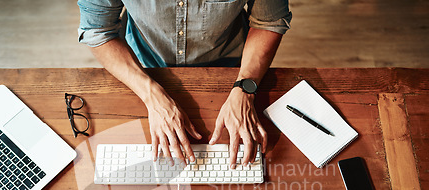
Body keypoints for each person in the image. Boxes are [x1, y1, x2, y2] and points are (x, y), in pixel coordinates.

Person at [77, 0, 291, 169]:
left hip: (232, 68)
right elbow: (98, 30)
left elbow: (268, 21)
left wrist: (245, 87)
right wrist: (151, 95)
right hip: (143, 66)